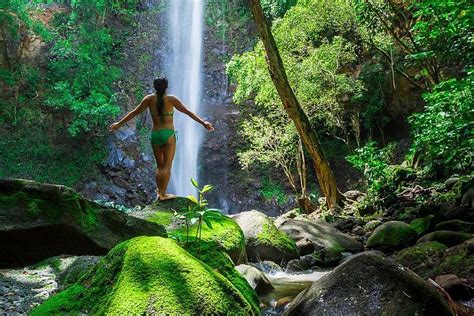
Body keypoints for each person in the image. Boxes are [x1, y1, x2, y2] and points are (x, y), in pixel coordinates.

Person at [109, 77, 214, 201]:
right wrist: (204, 123)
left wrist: (118, 124)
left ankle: (160, 193)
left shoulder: (148, 99)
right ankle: (164, 194)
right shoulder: (172, 99)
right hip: (168, 134)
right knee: (167, 166)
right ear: (166, 87)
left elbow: (134, 112)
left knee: (159, 166)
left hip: (155, 134)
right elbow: (188, 112)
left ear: (154, 87)